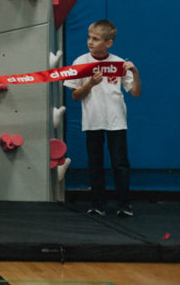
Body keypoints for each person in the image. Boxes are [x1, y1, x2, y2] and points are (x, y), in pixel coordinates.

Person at [64, 19, 141, 217]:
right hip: (93, 120)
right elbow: (74, 96)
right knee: (95, 163)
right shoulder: (81, 62)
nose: (90, 42)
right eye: (89, 37)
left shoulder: (118, 62)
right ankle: (98, 204)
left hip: (116, 120)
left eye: (96, 39)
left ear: (109, 43)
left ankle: (124, 205)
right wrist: (90, 84)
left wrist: (135, 72)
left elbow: (135, 92)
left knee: (120, 164)